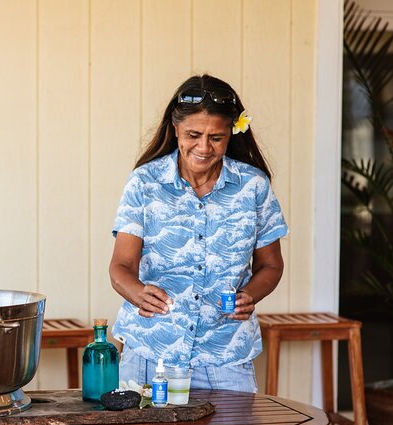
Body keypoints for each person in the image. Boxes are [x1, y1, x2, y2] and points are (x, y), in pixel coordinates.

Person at [109, 74, 288, 393]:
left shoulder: (254, 187)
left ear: (232, 133)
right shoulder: (144, 183)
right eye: (193, 134)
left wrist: (250, 295)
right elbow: (120, 267)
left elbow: (271, 265)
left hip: (226, 357)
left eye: (216, 137)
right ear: (175, 128)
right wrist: (137, 292)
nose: (204, 147)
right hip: (152, 354)